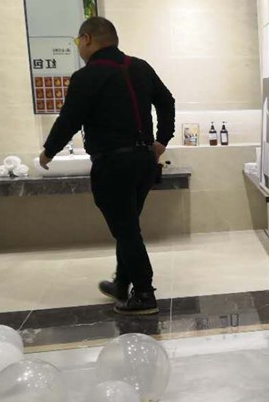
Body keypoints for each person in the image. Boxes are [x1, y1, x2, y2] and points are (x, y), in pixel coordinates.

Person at [39, 17, 175, 315]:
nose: (78, 47)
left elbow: (69, 119)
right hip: (145, 162)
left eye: (78, 42)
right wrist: (161, 141)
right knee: (128, 224)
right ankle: (122, 283)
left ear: (87, 39)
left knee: (126, 230)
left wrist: (48, 152)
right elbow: (167, 101)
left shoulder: (86, 76)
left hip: (113, 164)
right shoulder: (140, 67)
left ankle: (144, 294)